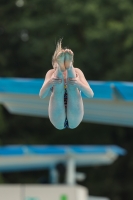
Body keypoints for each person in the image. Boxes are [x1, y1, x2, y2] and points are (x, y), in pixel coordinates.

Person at [39, 40, 94, 130]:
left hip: (74, 118)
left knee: (72, 86)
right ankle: (62, 72)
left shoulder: (77, 72)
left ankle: (70, 67)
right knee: (58, 87)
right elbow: (42, 95)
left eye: (63, 69)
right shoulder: (51, 73)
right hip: (58, 120)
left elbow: (90, 94)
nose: (63, 72)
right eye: (59, 68)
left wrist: (78, 84)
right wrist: (50, 83)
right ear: (54, 66)